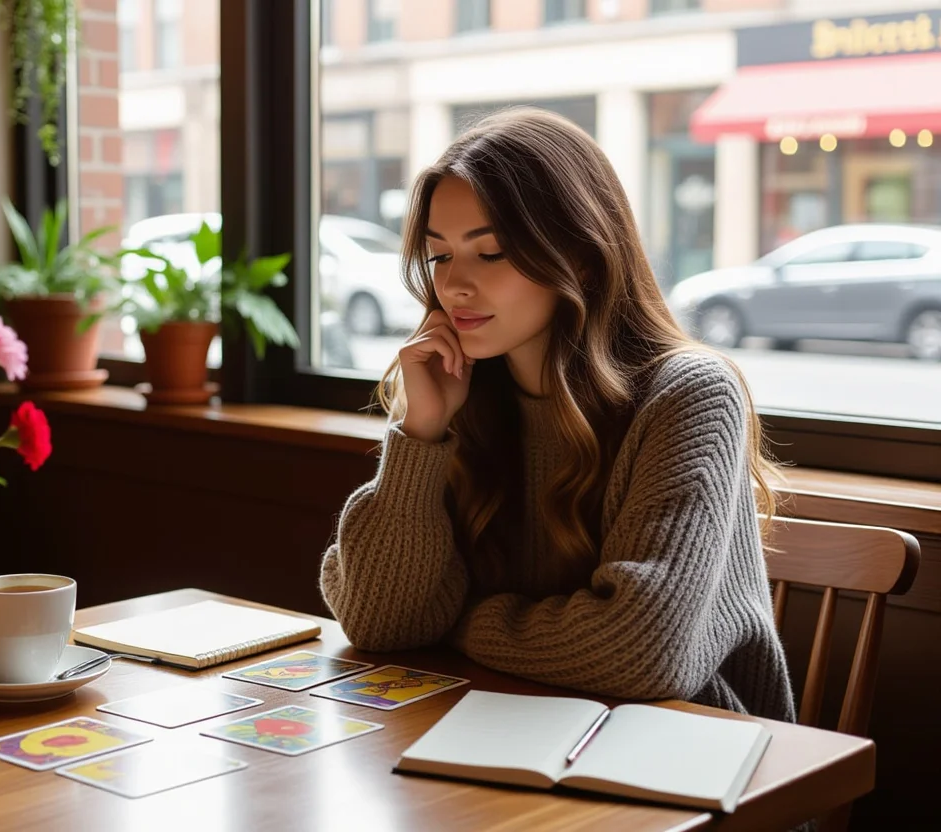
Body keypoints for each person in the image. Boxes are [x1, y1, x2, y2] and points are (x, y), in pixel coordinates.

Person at [319, 108, 795, 723]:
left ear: (584, 258)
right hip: (505, 733)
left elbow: (639, 651)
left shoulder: (690, 395)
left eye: (490, 253)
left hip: (690, 761)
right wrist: (420, 433)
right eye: (439, 258)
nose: (455, 285)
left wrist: (459, 618)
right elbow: (377, 621)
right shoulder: (460, 391)